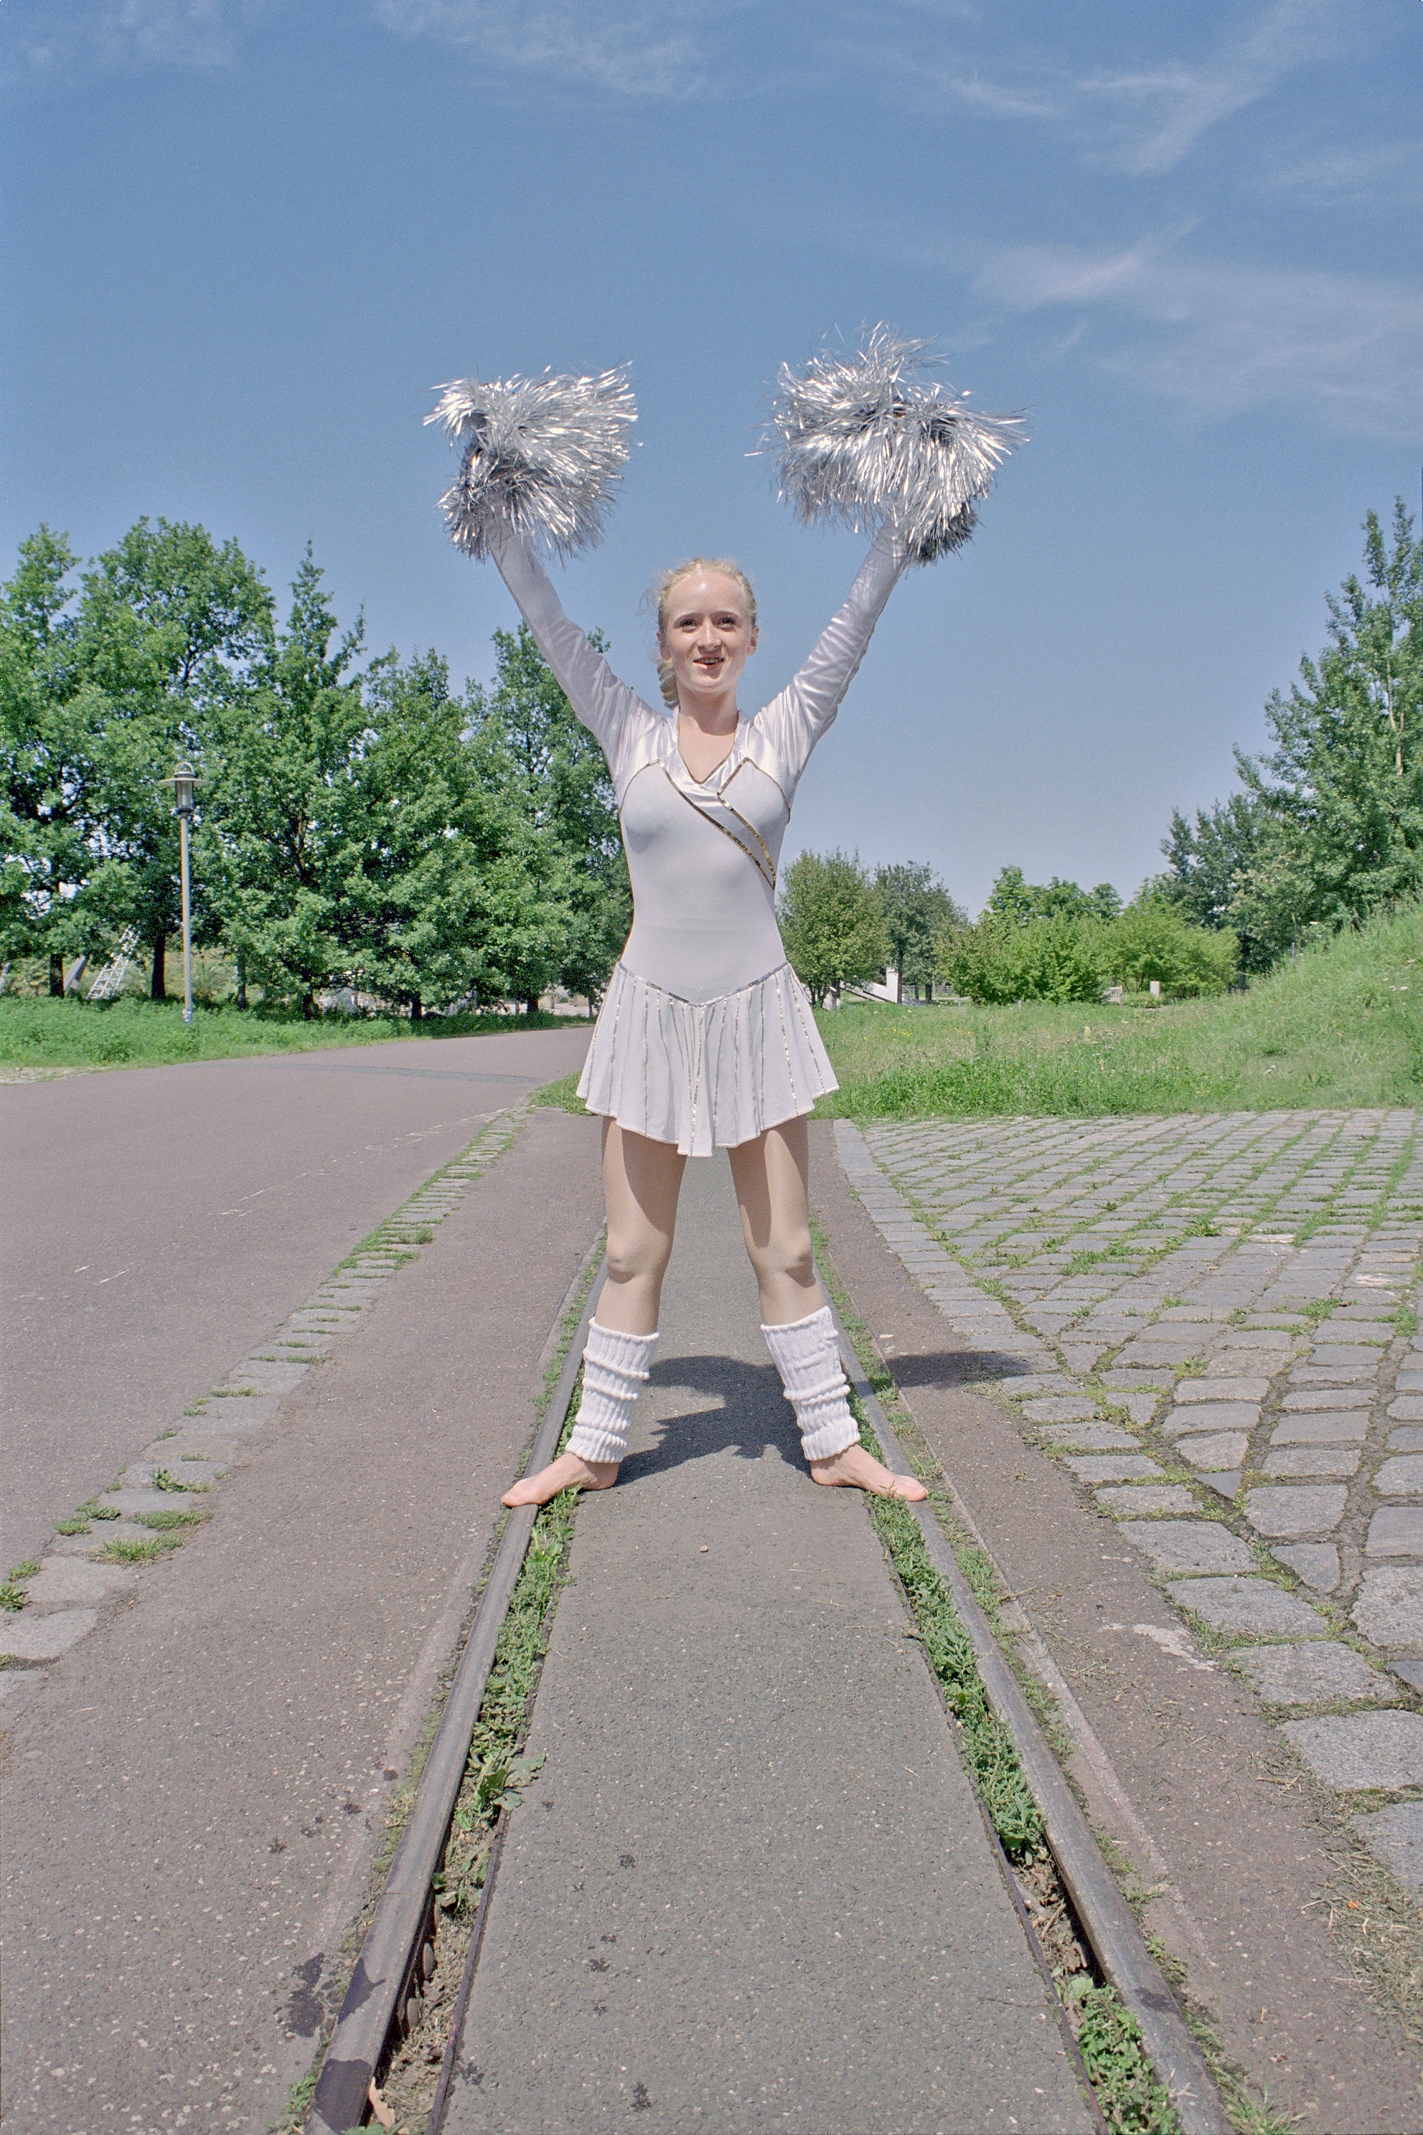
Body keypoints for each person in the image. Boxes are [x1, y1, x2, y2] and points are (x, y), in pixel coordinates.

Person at [491, 518, 928, 1510]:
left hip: (755, 1016)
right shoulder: (625, 730)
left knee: (787, 1248)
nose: (706, 636)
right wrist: (501, 523)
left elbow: (853, 627)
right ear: (660, 644)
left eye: (724, 620)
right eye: (687, 622)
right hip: (649, 1013)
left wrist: (902, 527)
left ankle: (831, 1439)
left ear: (752, 636)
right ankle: (594, 1447)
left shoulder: (784, 730)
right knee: (630, 1250)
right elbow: (549, 622)